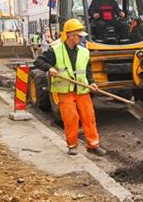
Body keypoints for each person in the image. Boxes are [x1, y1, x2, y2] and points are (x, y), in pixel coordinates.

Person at [33, 18, 108, 156]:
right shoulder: (55, 51)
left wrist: (91, 82)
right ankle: (72, 145)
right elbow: (38, 61)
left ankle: (93, 145)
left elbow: (87, 69)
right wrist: (49, 68)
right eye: (78, 35)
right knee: (71, 118)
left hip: (82, 90)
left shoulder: (84, 52)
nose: (81, 38)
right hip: (65, 90)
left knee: (89, 117)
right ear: (69, 35)